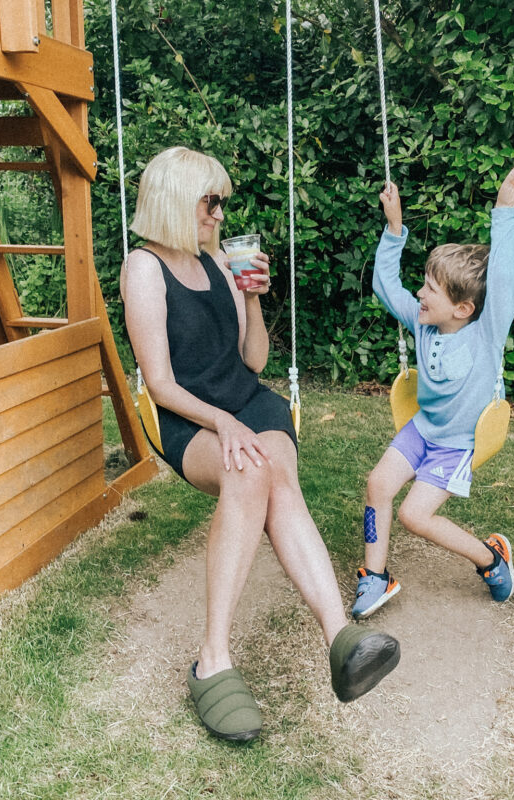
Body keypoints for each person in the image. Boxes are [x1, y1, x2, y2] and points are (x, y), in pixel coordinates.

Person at [120, 146, 400, 742]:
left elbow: (254, 361)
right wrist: (222, 424)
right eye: (210, 201)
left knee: (272, 469)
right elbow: (162, 383)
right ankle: (212, 660)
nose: (220, 213)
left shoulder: (218, 262)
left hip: (250, 402)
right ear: (175, 199)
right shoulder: (143, 269)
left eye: (222, 202)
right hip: (189, 417)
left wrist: (250, 295)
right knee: (249, 473)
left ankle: (340, 639)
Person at [351, 164, 514, 620]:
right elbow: (385, 285)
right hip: (422, 428)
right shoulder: (422, 321)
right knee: (377, 484)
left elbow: (504, 284)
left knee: (416, 516)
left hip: (456, 444)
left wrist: (504, 212)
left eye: (430, 289)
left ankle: (491, 558)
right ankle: (375, 578)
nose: (420, 294)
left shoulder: (485, 334)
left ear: (463, 308)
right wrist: (394, 229)